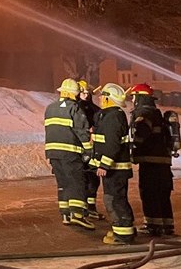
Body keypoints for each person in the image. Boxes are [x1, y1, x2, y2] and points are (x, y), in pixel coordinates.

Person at [44, 78, 95, 230]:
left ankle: (65, 213)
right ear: (74, 94)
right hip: (70, 153)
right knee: (76, 182)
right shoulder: (74, 108)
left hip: (53, 153)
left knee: (63, 184)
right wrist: (89, 151)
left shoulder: (50, 108)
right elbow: (82, 131)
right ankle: (78, 215)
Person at [90, 83, 136, 245]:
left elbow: (112, 144)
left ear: (109, 98)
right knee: (115, 198)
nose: (101, 98)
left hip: (115, 169)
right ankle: (121, 228)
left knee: (114, 199)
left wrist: (104, 165)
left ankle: (123, 234)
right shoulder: (109, 115)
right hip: (114, 169)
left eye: (103, 96)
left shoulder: (113, 116)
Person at [129, 83, 175, 237]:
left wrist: (133, 147)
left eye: (134, 96)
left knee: (150, 193)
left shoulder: (144, 113)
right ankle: (167, 226)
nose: (133, 99)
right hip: (163, 162)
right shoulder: (156, 113)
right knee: (163, 194)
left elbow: (141, 133)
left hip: (150, 162)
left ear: (140, 97)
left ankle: (153, 226)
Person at [76, 79, 102, 221]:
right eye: (83, 92)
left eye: (87, 92)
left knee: (92, 179)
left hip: (92, 150)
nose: (86, 95)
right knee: (83, 179)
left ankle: (90, 207)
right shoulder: (75, 109)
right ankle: (83, 208)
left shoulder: (95, 110)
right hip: (80, 150)